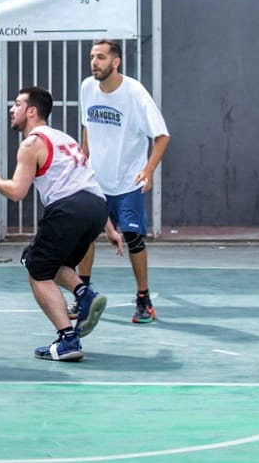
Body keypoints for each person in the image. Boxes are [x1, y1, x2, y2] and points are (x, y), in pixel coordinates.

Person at [0, 86, 109, 362]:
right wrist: (109, 227)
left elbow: (16, 191)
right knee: (48, 262)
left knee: (37, 269)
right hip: (96, 208)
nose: (12, 110)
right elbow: (88, 183)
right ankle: (84, 293)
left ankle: (67, 339)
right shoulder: (65, 138)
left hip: (68, 207)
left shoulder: (31, 143)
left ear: (32, 111)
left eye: (17, 104)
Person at [76, 39, 171, 324]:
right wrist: (83, 161)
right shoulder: (87, 87)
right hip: (96, 181)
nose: (95, 62)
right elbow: (87, 127)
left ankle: (144, 300)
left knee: (133, 238)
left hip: (128, 181)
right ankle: (83, 296)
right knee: (86, 237)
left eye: (101, 57)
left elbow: (162, 136)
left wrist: (149, 169)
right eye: (93, 56)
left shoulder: (134, 92)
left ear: (115, 62)